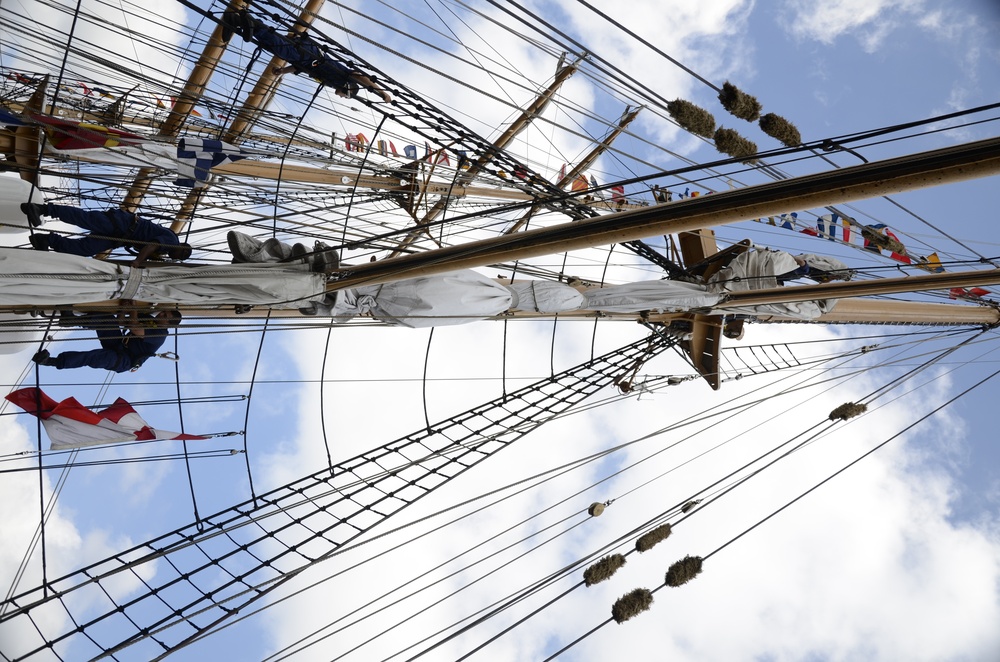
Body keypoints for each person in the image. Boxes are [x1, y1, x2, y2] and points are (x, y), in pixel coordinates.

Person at [220, 9, 391, 102]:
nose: (340, 96)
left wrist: (282, 72)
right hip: (309, 53)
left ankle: (240, 24)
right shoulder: (343, 77)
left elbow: (303, 67)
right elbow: (361, 76)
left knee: (273, 46)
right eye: (344, 95)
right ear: (348, 89)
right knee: (280, 47)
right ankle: (248, 21)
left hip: (305, 59)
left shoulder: (330, 82)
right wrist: (382, 93)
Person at [22, 203, 192, 266]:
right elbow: (151, 245)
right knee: (84, 219)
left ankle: (46, 240)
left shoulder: (164, 251)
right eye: (180, 256)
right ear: (182, 249)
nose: (175, 257)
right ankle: (42, 209)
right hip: (124, 224)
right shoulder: (172, 241)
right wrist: (139, 261)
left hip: (120, 237)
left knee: (85, 249)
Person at [32, 308, 182, 373]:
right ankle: (70, 320)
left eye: (165, 316)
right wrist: (125, 310)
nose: (161, 314)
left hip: (124, 360)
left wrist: (134, 309)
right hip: (119, 343)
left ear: (169, 324)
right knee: (107, 319)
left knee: (93, 357)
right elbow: (122, 321)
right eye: (163, 312)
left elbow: (135, 328)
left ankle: (50, 362)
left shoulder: (160, 335)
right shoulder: (149, 319)